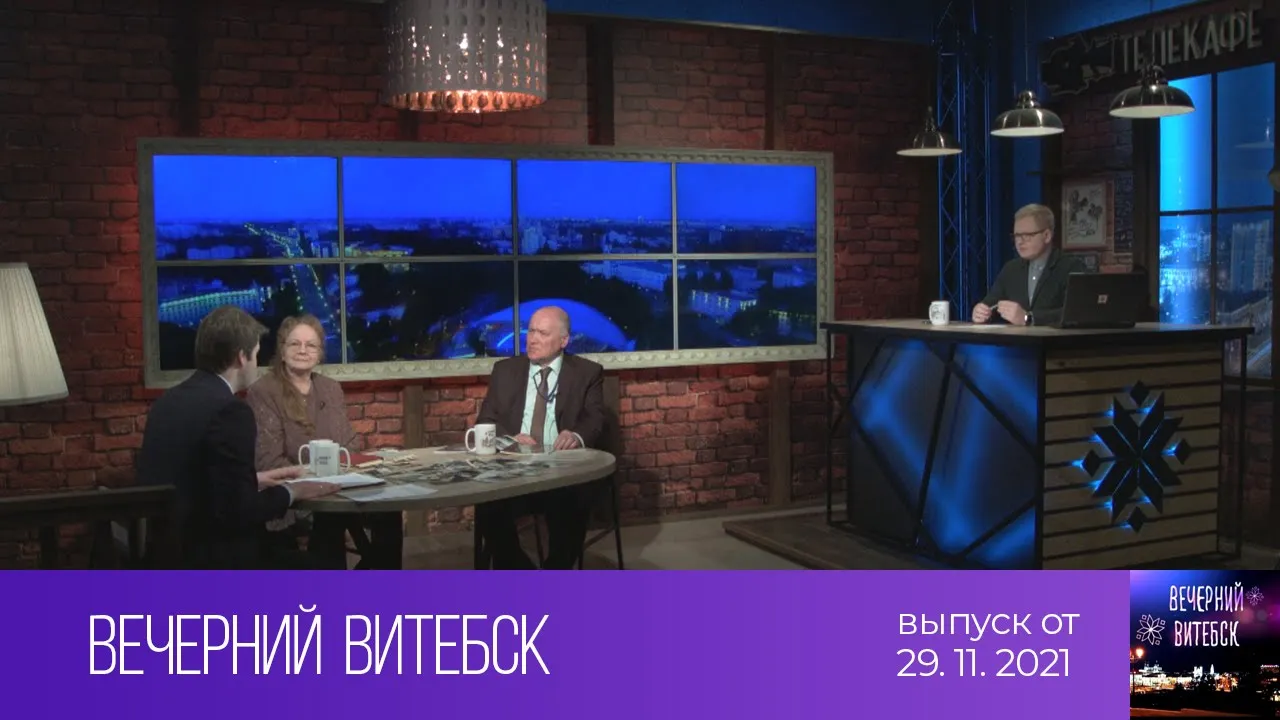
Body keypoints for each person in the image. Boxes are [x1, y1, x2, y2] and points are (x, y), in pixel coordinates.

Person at [136, 305, 340, 569]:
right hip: (218, 563)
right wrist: (292, 491)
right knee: (325, 569)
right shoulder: (230, 411)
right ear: (241, 358)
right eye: (256, 354)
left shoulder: (168, 401)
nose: (256, 363)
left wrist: (256, 479)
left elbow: (197, 481)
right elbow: (239, 511)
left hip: (168, 558)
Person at [245, 314, 400, 568]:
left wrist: (337, 475)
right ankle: (329, 584)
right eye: (295, 344)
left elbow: (349, 444)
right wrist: (319, 476)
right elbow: (269, 462)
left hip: (337, 487)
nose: (303, 350)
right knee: (330, 520)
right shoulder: (263, 391)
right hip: (297, 495)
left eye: (311, 345)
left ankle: (379, 584)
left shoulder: (330, 388)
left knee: (389, 511)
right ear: (282, 350)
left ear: (319, 354)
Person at [474, 305, 607, 569]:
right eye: (531, 331)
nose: (532, 339)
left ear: (564, 341)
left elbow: (594, 419)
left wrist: (576, 435)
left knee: (573, 503)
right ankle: (521, 572)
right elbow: (486, 421)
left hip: (561, 471)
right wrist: (510, 439)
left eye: (542, 333)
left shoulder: (587, 373)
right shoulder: (505, 371)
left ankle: (554, 574)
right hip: (514, 469)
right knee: (488, 504)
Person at [972, 203, 1088, 327]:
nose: (1019, 242)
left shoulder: (1070, 266)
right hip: (1017, 339)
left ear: (1047, 236)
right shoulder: (1011, 269)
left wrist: (1029, 318)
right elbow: (990, 305)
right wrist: (981, 312)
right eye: (1017, 236)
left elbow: (1077, 313)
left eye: (1027, 236)